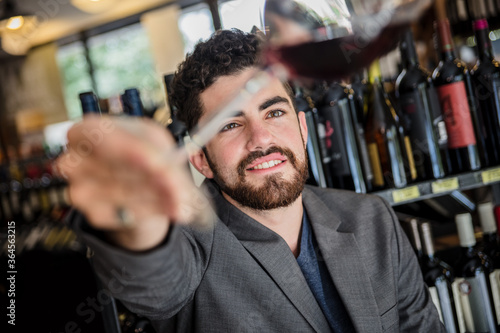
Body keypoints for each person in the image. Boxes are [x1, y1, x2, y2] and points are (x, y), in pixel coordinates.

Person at [58, 29, 445, 332]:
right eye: (229, 124)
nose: (260, 139)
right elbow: (154, 282)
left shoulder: (371, 219)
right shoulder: (192, 244)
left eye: (274, 113)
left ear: (302, 128)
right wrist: (136, 218)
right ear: (200, 159)